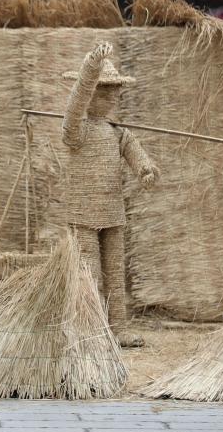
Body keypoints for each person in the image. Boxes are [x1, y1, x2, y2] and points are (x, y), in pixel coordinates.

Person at [61, 42, 158, 347]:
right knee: (88, 272)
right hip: (84, 213)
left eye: (113, 90)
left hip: (113, 212)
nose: (110, 96)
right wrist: (91, 68)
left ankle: (118, 327)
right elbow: (75, 105)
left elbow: (138, 156)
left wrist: (146, 171)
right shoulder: (77, 129)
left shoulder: (117, 132)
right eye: (102, 90)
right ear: (90, 91)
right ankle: (88, 328)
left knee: (115, 275)